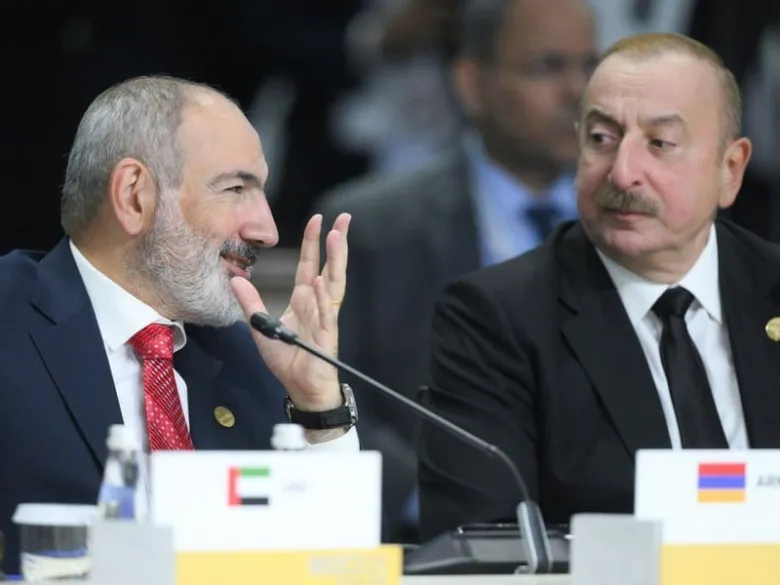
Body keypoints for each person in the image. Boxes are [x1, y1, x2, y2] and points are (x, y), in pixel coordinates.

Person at [417, 31, 780, 540]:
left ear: (730, 169)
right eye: (601, 139)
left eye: (660, 144)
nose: (623, 173)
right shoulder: (496, 318)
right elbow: (480, 544)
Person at [0, 76, 359, 575]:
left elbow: (341, 566)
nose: (268, 230)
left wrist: (318, 405)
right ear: (134, 196)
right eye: (235, 189)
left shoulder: (252, 362)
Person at [317, 0, 596, 541]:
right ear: (472, 83)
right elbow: (335, 395)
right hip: (427, 543)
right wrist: (437, 496)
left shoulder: (634, 219)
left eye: (589, 66)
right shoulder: (374, 227)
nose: (577, 92)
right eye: (547, 66)